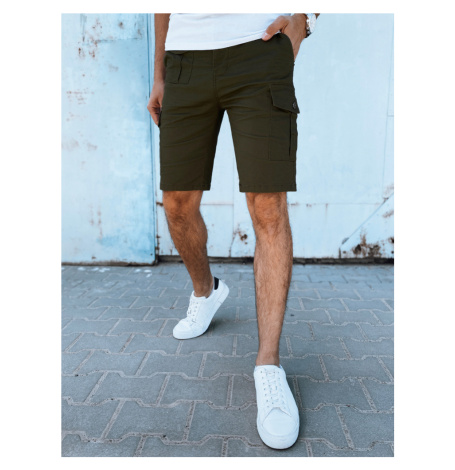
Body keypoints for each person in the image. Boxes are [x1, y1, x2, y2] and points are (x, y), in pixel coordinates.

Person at [147, 12, 319, 450]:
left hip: (257, 50)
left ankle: (269, 366)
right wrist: (160, 73)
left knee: (268, 209)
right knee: (177, 204)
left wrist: (305, 19)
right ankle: (206, 292)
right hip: (186, 59)